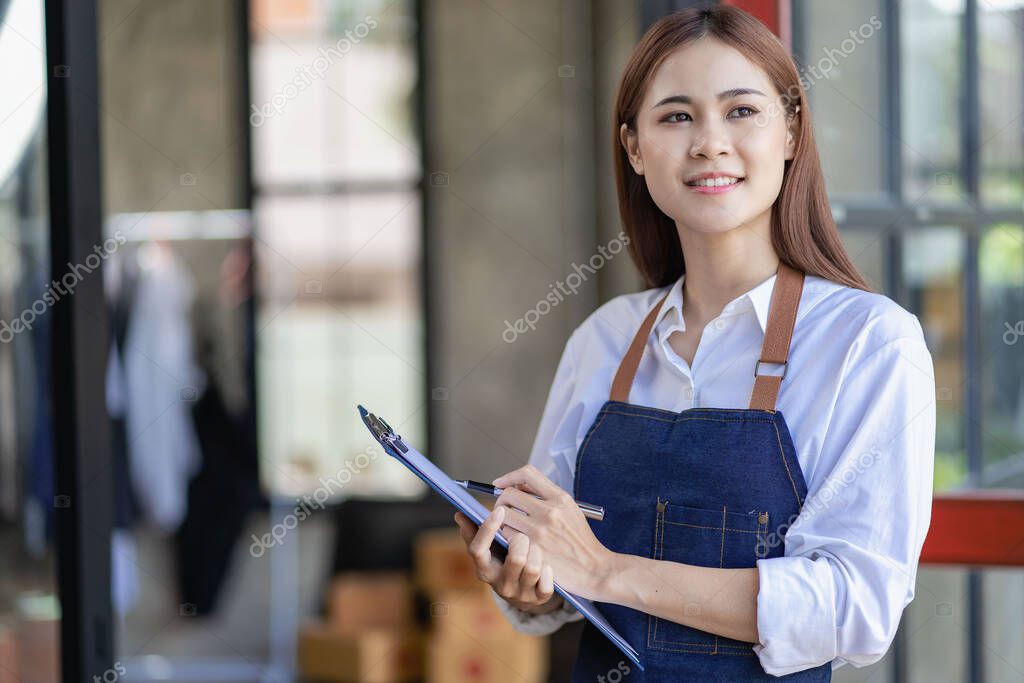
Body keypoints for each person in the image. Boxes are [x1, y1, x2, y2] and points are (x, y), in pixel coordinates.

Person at [454, 5, 935, 681]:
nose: (709, 142)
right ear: (634, 148)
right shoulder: (605, 338)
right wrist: (529, 577)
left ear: (792, 131)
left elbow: (856, 607)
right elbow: (560, 571)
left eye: (741, 111)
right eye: (676, 116)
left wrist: (608, 570)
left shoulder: (868, 343)